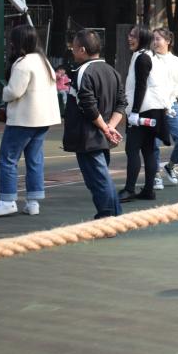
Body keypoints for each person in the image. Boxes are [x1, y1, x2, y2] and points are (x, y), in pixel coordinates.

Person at [0, 24, 61, 218]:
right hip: (43, 119)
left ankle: (7, 200)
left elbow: (14, 91)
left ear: (18, 42)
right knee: (34, 159)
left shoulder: (23, 63)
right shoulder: (43, 61)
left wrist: (3, 92)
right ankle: (33, 201)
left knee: (8, 159)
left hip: (24, 119)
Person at [62, 29, 126, 218]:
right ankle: (113, 215)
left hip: (88, 137)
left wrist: (105, 128)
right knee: (101, 177)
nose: (72, 50)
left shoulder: (83, 72)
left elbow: (88, 106)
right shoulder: (112, 71)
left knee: (98, 179)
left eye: (73, 47)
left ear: (82, 49)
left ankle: (108, 216)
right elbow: (121, 103)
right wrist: (110, 126)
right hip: (101, 136)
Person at [121, 25, 171, 202]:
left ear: (142, 38)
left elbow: (141, 86)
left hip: (144, 109)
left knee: (132, 148)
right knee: (148, 149)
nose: (130, 38)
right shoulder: (151, 56)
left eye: (133, 36)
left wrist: (135, 112)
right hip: (154, 109)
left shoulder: (142, 58)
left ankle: (129, 189)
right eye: (129, 35)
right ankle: (148, 190)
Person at [151, 28, 178, 189]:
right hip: (153, 106)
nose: (155, 42)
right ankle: (155, 174)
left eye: (158, 39)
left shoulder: (175, 61)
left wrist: (168, 102)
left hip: (171, 105)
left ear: (168, 41)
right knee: (153, 142)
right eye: (153, 39)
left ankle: (171, 166)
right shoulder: (149, 58)